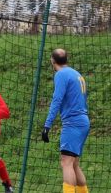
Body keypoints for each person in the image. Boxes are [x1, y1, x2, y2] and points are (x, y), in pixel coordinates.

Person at [42, 49, 90, 193]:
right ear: (66, 59)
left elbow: (57, 100)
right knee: (74, 164)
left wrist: (47, 125)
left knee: (66, 162)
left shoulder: (61, 74)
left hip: (73, 123)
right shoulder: (77, 74)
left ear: (52, 60)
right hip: (83, 121)